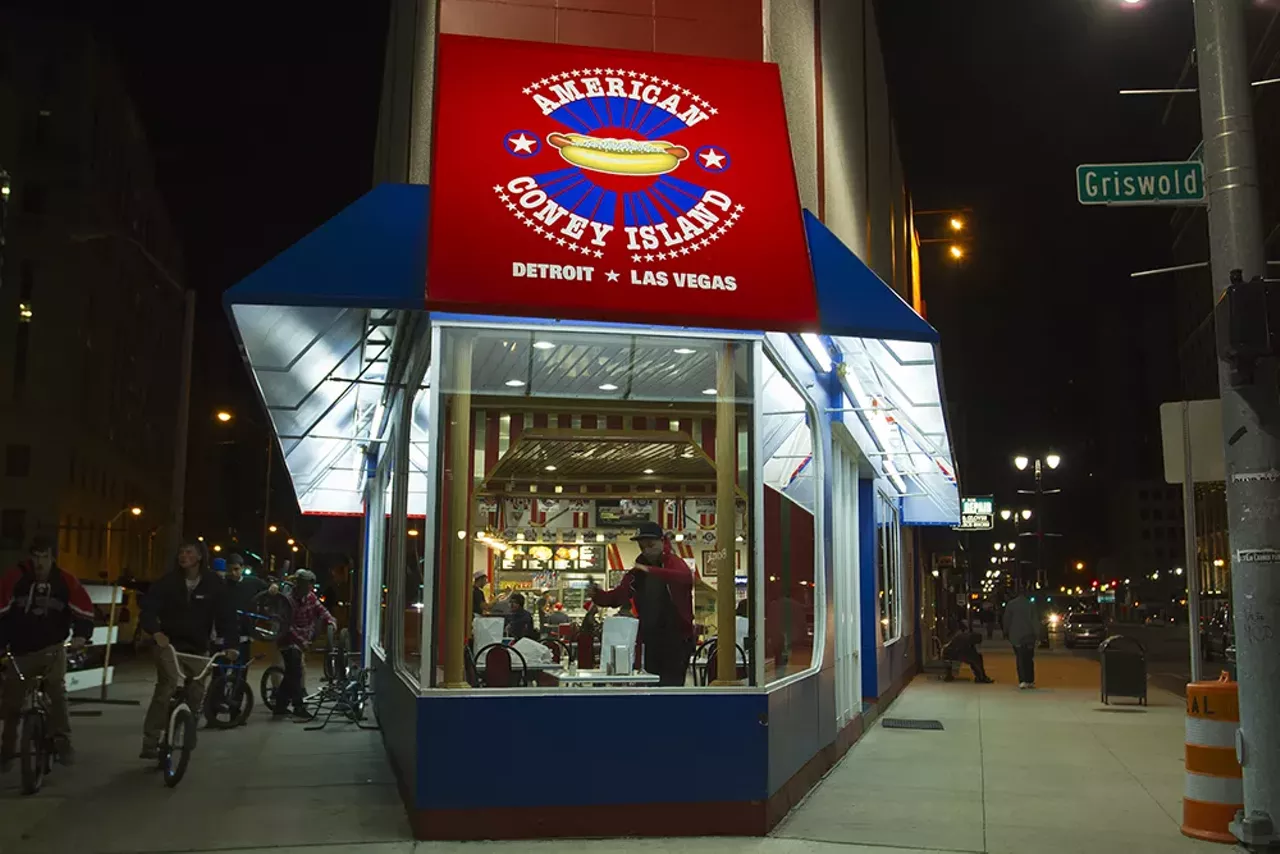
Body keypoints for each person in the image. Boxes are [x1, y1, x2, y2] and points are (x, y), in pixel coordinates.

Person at [0, 536, 94, 769]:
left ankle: (62, 743)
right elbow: (1, 611)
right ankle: (7, 751)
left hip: (53, 649)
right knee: (11, 703)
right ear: (30, 557)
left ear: (53, 558)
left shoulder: (65, 581)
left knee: (56, 693)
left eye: (45, 557)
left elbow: (84, 610)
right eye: (36, 556)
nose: (40, 562)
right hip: (19, 651)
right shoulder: (15, 578)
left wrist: (81, 636)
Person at [139, 540, 238, 758]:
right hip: (169, 645)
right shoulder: (168, 583)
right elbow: (147, 610)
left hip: (197, 646)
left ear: (200, 556)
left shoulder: (214, 584)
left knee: (196, 691)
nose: (183, 556)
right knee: (167, 686)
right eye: (181, 552)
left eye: (189, 552)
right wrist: (156, 632)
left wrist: (231, 645)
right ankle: (151, 741)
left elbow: (227, 617)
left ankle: (187, 729)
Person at [588, 521, 694, 686]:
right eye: (642, 546)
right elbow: (619, 596)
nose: (646, 549)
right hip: (650, 640)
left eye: (650, 544)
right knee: (651, 686)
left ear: (662, 541)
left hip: (677, 640)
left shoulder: (673, 563)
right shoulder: (637, 573)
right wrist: (599, 596)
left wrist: (650, 571)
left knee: (671, 689)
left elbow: (684, 577)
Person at [274, 569, 336, 721]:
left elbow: (322, 611)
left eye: (310, 587)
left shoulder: (310, 597)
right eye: (306, 586)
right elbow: (287, 627)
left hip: (303, 638)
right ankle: (298, 706)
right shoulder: (288, 600)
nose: (309, 590)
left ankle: (280, 706)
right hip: (288, 640)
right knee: (295, 671)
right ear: (299, 584)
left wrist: (331, 621)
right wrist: (302, 641)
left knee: (291, 673)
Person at [223, 554, 269, 665]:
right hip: (223, 636)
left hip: (244, 635)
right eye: (230, 570)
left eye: (236, 569)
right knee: (220, 672)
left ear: (242, 568)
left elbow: (269, 591)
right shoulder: (221, 584)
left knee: (241, 671)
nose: (233, 573)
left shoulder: (253, 582)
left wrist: (273, 588)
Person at [1002, 590, 1038, 689]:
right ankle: (1030, 680)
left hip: (1016, 635)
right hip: (1029, 635)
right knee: (1029, 658)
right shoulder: (1031, 605)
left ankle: (1022, 680)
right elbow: (1034, 620)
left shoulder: (1011, 605)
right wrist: (1037, 634)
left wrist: (1006, 631)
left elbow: (1007, 619)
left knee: (1020, 658)